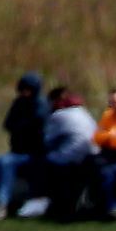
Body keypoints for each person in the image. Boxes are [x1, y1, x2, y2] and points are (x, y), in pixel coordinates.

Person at [24, 88, 98, 218]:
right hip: (92, 155)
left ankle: (37, 204)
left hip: (71, 158)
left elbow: (47, 141)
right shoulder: (83, 111)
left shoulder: (58, 115)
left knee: (39, 163)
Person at [0, 73, 47, 220]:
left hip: (34, 155)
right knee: (0, 160)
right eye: (22, 89)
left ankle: (1, 205)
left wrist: (21, 127)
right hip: (17, 151)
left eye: (28, 90)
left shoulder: (41, 105)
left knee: (6, 163)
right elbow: (8, 124)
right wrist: (22, 126)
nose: (25, 93)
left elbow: (36, 127)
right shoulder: (18, 103)